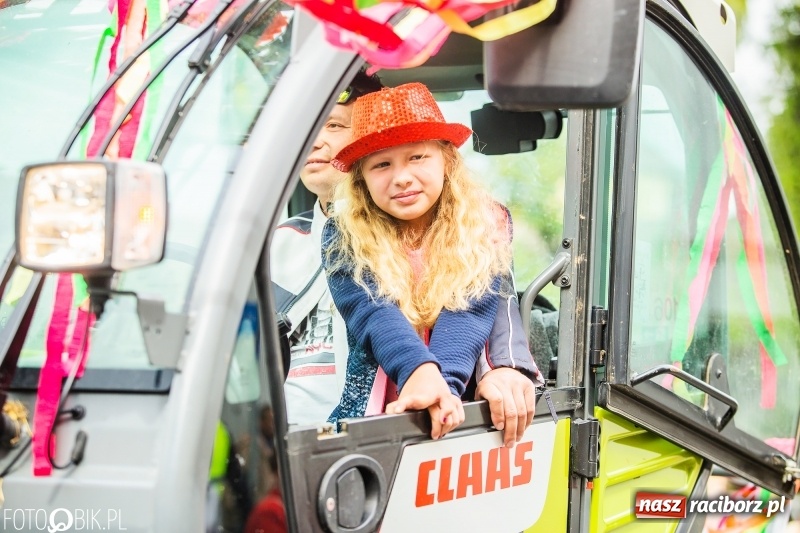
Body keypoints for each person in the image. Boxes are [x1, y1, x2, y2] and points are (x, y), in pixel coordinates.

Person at [271, 72, 542, 447]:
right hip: (371, 416)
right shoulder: (343, 234)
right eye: (381, 165)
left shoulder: (484, 224)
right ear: (361, 179)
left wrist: (440, 388)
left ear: (446, 161)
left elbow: (468, 311)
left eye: (417, 156)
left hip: (450, 409)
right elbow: (372, 311)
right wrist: (418, 371)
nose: (401, 177)